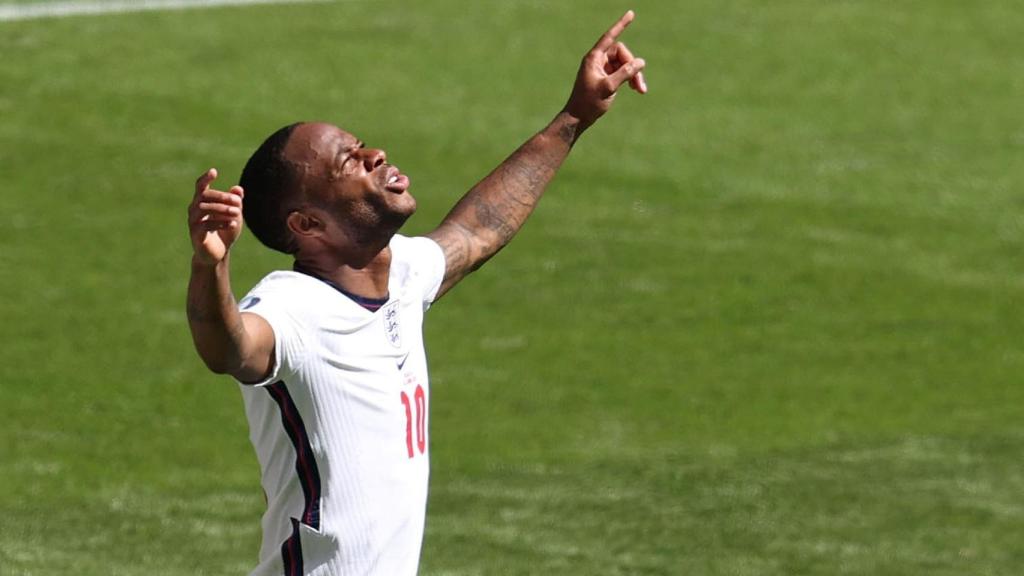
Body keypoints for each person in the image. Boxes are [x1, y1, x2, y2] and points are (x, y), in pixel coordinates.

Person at [186, 10, 647, 576]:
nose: (375, 156)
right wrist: (211, 268)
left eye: (362, 146)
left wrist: (576, 115)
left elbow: (480, 230)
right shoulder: (290, 308)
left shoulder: (402, 273)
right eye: (347, 163)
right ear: (307, 226)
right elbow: (229, 349)